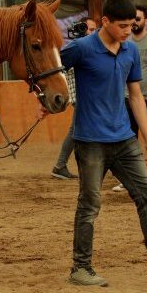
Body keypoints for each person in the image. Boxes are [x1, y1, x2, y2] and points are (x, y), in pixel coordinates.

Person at [53, 0, 147, 286]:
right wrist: (45, 100)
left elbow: (135, 95)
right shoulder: (80, 49)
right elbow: (50, 70)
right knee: (90, 204)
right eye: (122, 26)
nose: (128, 31)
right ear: (105, 22)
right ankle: (80, 268)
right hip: (90, 141)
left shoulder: (129, 51)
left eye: (131, 25)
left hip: (124, 139)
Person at [113, 6, 147, 193]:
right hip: (127, 100)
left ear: (146, 20)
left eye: (138, 18)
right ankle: (127, 179)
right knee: (127, 141)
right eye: (132, 19)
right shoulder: (125, 43)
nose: (134, 22)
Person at [51, 17, 98, 179]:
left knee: (78, 131)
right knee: (77, 131)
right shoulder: (77, 48)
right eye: (91, 29)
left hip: (84, 97)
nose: (94, 32)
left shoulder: (81, 47)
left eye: (94, 29)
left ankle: (61, 165)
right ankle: (61, 165)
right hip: (80, 96)